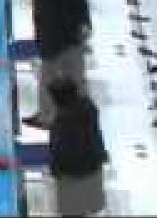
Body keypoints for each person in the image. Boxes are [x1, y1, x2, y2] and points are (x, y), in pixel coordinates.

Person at [20, 0, 91, 130]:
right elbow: (81, 0)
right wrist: (85, 24)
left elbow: (45, 23)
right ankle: (83, 117)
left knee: (47, 82)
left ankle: (47, 118)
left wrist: (44, 49)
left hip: (55, 44)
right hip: (74, 38)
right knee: (77, 79)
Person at [47, 79, 108, 217]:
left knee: (72, 211)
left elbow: (60, 151)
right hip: (92, 167)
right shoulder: (88, 107)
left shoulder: (63, 122)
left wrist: (55, 169)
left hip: (73, 173)